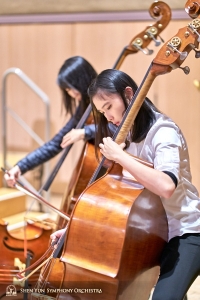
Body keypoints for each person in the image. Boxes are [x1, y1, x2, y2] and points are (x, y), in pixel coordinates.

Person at [51, 69, 200, 300]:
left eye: (109, 107)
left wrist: (121, 158)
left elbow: (166, 186)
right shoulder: (126, 136)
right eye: (102, 112)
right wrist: (73, 231)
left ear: (129, 94)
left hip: (184, 232)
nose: (108, 117)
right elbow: (117, 205)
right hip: (149, 234)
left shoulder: (163, 131)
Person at [4, 56, 97, 187]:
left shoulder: (106, 98)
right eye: (66, 90)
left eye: (69, 88)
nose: (70, 93)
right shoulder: (84, 107)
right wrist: (20, 167)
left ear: (81, 80)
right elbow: (55, 143)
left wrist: (85, 131)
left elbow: (121, 128)